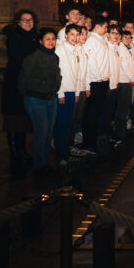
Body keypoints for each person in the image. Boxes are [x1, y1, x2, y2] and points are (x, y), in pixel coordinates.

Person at [17, 27, 62, 175]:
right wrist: (27, 97)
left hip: (51, 100)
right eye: (47, 39)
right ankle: (39, 166)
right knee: (41, 133)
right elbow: (23, 80)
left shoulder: (55, 57)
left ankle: (45, 162)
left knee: (49, 133)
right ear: (41, 41)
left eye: (53, 39)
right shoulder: (32, 58)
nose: (51, 42)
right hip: (36, 101)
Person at [1, 11, 37, 178]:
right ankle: (15, 155)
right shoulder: (14, 37)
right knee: (13, 118)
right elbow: (19, 58)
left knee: (23, 119)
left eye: (30, 20)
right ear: (18, 22)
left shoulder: (34, 37)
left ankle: (22, 152)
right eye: (24, 20)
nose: (28, 23)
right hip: (14, 84)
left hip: (28, 84)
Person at [54, 24, 83, 164]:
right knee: (61, 124)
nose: (75, 38)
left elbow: (77, 73)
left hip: (72, 91)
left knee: (68, 124)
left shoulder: (77, 49)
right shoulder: (60, 50)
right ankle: (60, 155)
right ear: (65, 35)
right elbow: (57, 74)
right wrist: (60, 94)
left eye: (77, 35)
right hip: (63, 92)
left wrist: (77, 91)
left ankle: (66, 152)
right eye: (72, 34)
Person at [81, 15, 111, 153]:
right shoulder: (91, 40)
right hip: (95, 81)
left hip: (103, 80)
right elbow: (91, 61)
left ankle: (97, 140)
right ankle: (89, 143)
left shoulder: (101, 40)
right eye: (105, 26)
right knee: (91, 114)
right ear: (97, 26)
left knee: (99, 112)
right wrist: (98, 76)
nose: (106, 29)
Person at [115, 29, 134, 136]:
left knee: (125, 107)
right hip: (123, 81)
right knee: (122, 107)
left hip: (128, 80)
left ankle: (122, 130)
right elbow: (124, 65)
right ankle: (119, 132)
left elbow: (131, 64)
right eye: (125, 37)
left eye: (130, 38)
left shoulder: (128, 48)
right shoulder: (120, 48)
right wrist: (131, 78)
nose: (128, 40)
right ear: (120, 38)